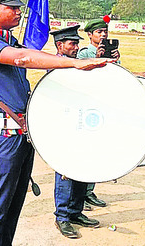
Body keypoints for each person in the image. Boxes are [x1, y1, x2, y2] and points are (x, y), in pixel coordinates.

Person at [0, 0, 111, 245]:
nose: (18, 11)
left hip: (21, 136)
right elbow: (24, 58)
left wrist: (86, 61)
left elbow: (39, 57)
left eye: (18, 7)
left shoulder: (8, 42)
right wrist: (74, 62)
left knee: (13, 205)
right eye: (12, 7)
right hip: (2, 138)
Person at [77, 16, 145, 209]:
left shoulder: (112, 53)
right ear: (89, 35)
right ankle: (78, 197)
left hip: (106, 104)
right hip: (90, 107)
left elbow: (117, 77)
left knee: (97, 151)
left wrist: (135, 73)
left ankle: (88, 192)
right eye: (99, 32)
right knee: (84, 152)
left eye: (105, 32)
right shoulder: (84, 52)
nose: (103, 34)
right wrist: (99, 56)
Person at [49, 25, 100, 238]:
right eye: (72, 44)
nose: (76, 47)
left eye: (77, 43)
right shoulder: (55, 68)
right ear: (60, 45)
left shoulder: (78, 65)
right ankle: (62, 217)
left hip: (82, 125)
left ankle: (76, 211)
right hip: (64, 128)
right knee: (65, 172)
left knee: (82, 168)